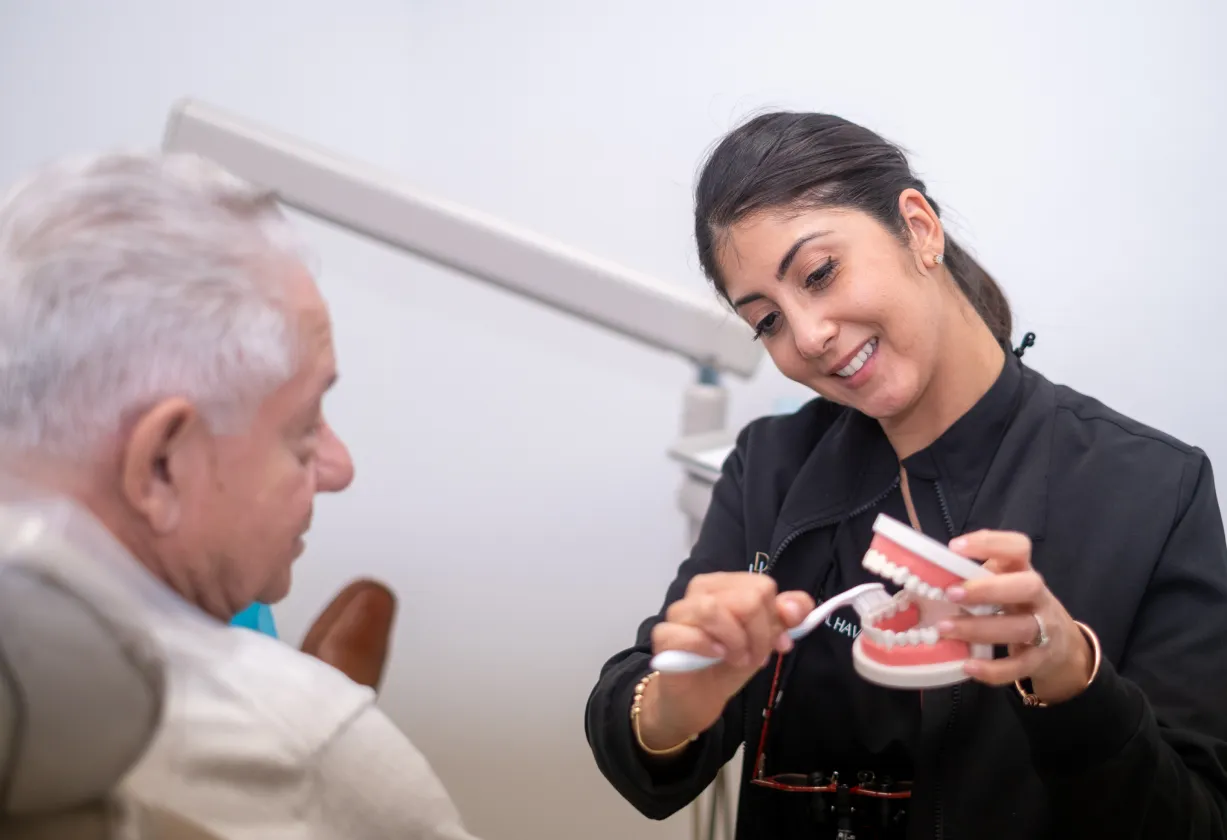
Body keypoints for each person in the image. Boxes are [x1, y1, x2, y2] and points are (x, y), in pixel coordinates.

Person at [584, 111, 1227, 839]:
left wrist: (1070, 676)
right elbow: (634, 734)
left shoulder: (1151, 489)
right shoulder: (770, 466)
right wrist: (680, 698)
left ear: (918, 228)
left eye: (819, 274)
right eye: (765, 320)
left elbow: (1195, 821)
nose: (807, 336)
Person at [0, 151, 480, 840]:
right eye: (303, 426)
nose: (338, 467)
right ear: (162, 464)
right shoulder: (304, 742)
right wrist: (312, 714)